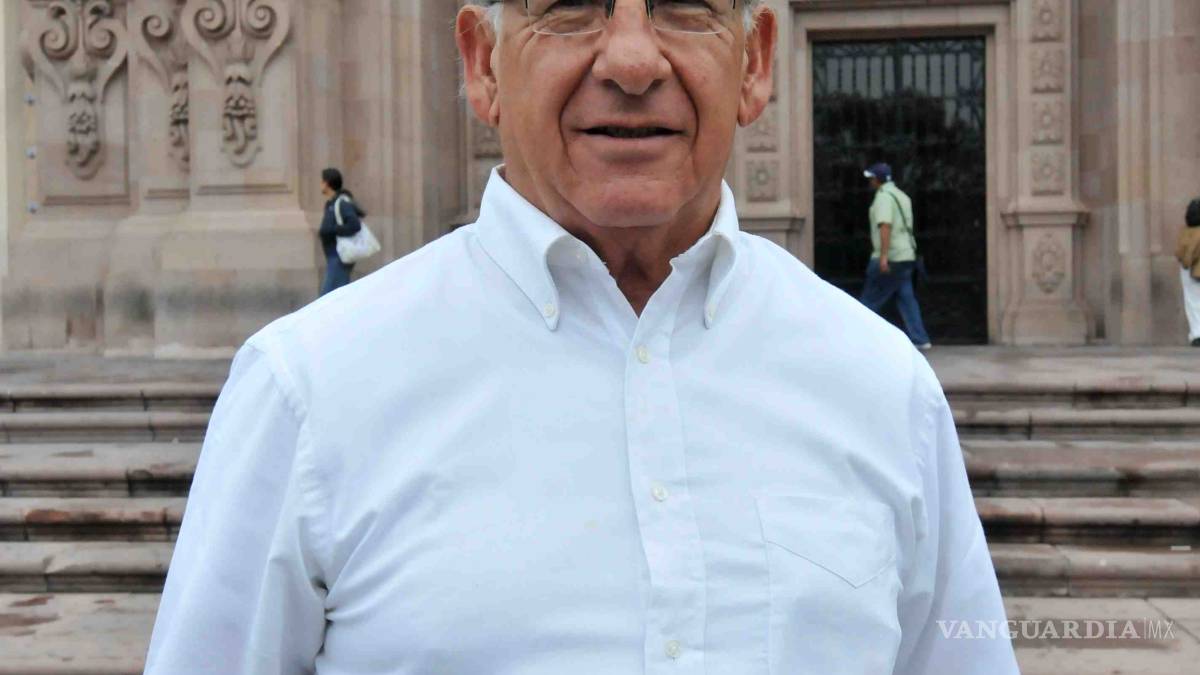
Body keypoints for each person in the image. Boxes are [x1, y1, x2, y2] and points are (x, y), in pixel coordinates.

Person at [145, 2, 1017, 673]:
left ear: (754, 63)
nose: (632, 61)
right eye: (568, 7)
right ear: (482, 64)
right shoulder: (307, 392)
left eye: (684, 7)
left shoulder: (883, 387)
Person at [860, 162, 932, 350]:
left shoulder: (883, 197)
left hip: (891, 257)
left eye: (871, 178)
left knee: (870, 300)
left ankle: (857, 336)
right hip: (906, 254)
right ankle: (920, 337)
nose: (870, 182)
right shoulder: (902, 196)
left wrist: (883, 257)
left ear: (877, 180)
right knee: (906, 298)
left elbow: (885, 226)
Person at [317, 167, 364, 296]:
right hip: (334, 256)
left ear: (327, 183)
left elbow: (355, 225)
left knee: (327, 297)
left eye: (322, 181)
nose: (320, 184)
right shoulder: (331, 204)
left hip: (339, 256)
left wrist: (333, 229)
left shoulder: (341, 203)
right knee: (336, 296)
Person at [1177, 197, 1200, 346]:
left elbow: (1182, 252)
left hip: (1190, 269)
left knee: (1192, 302)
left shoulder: (1185, 233)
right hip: (1194, 267)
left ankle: (1197, 333)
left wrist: (1186, 262)